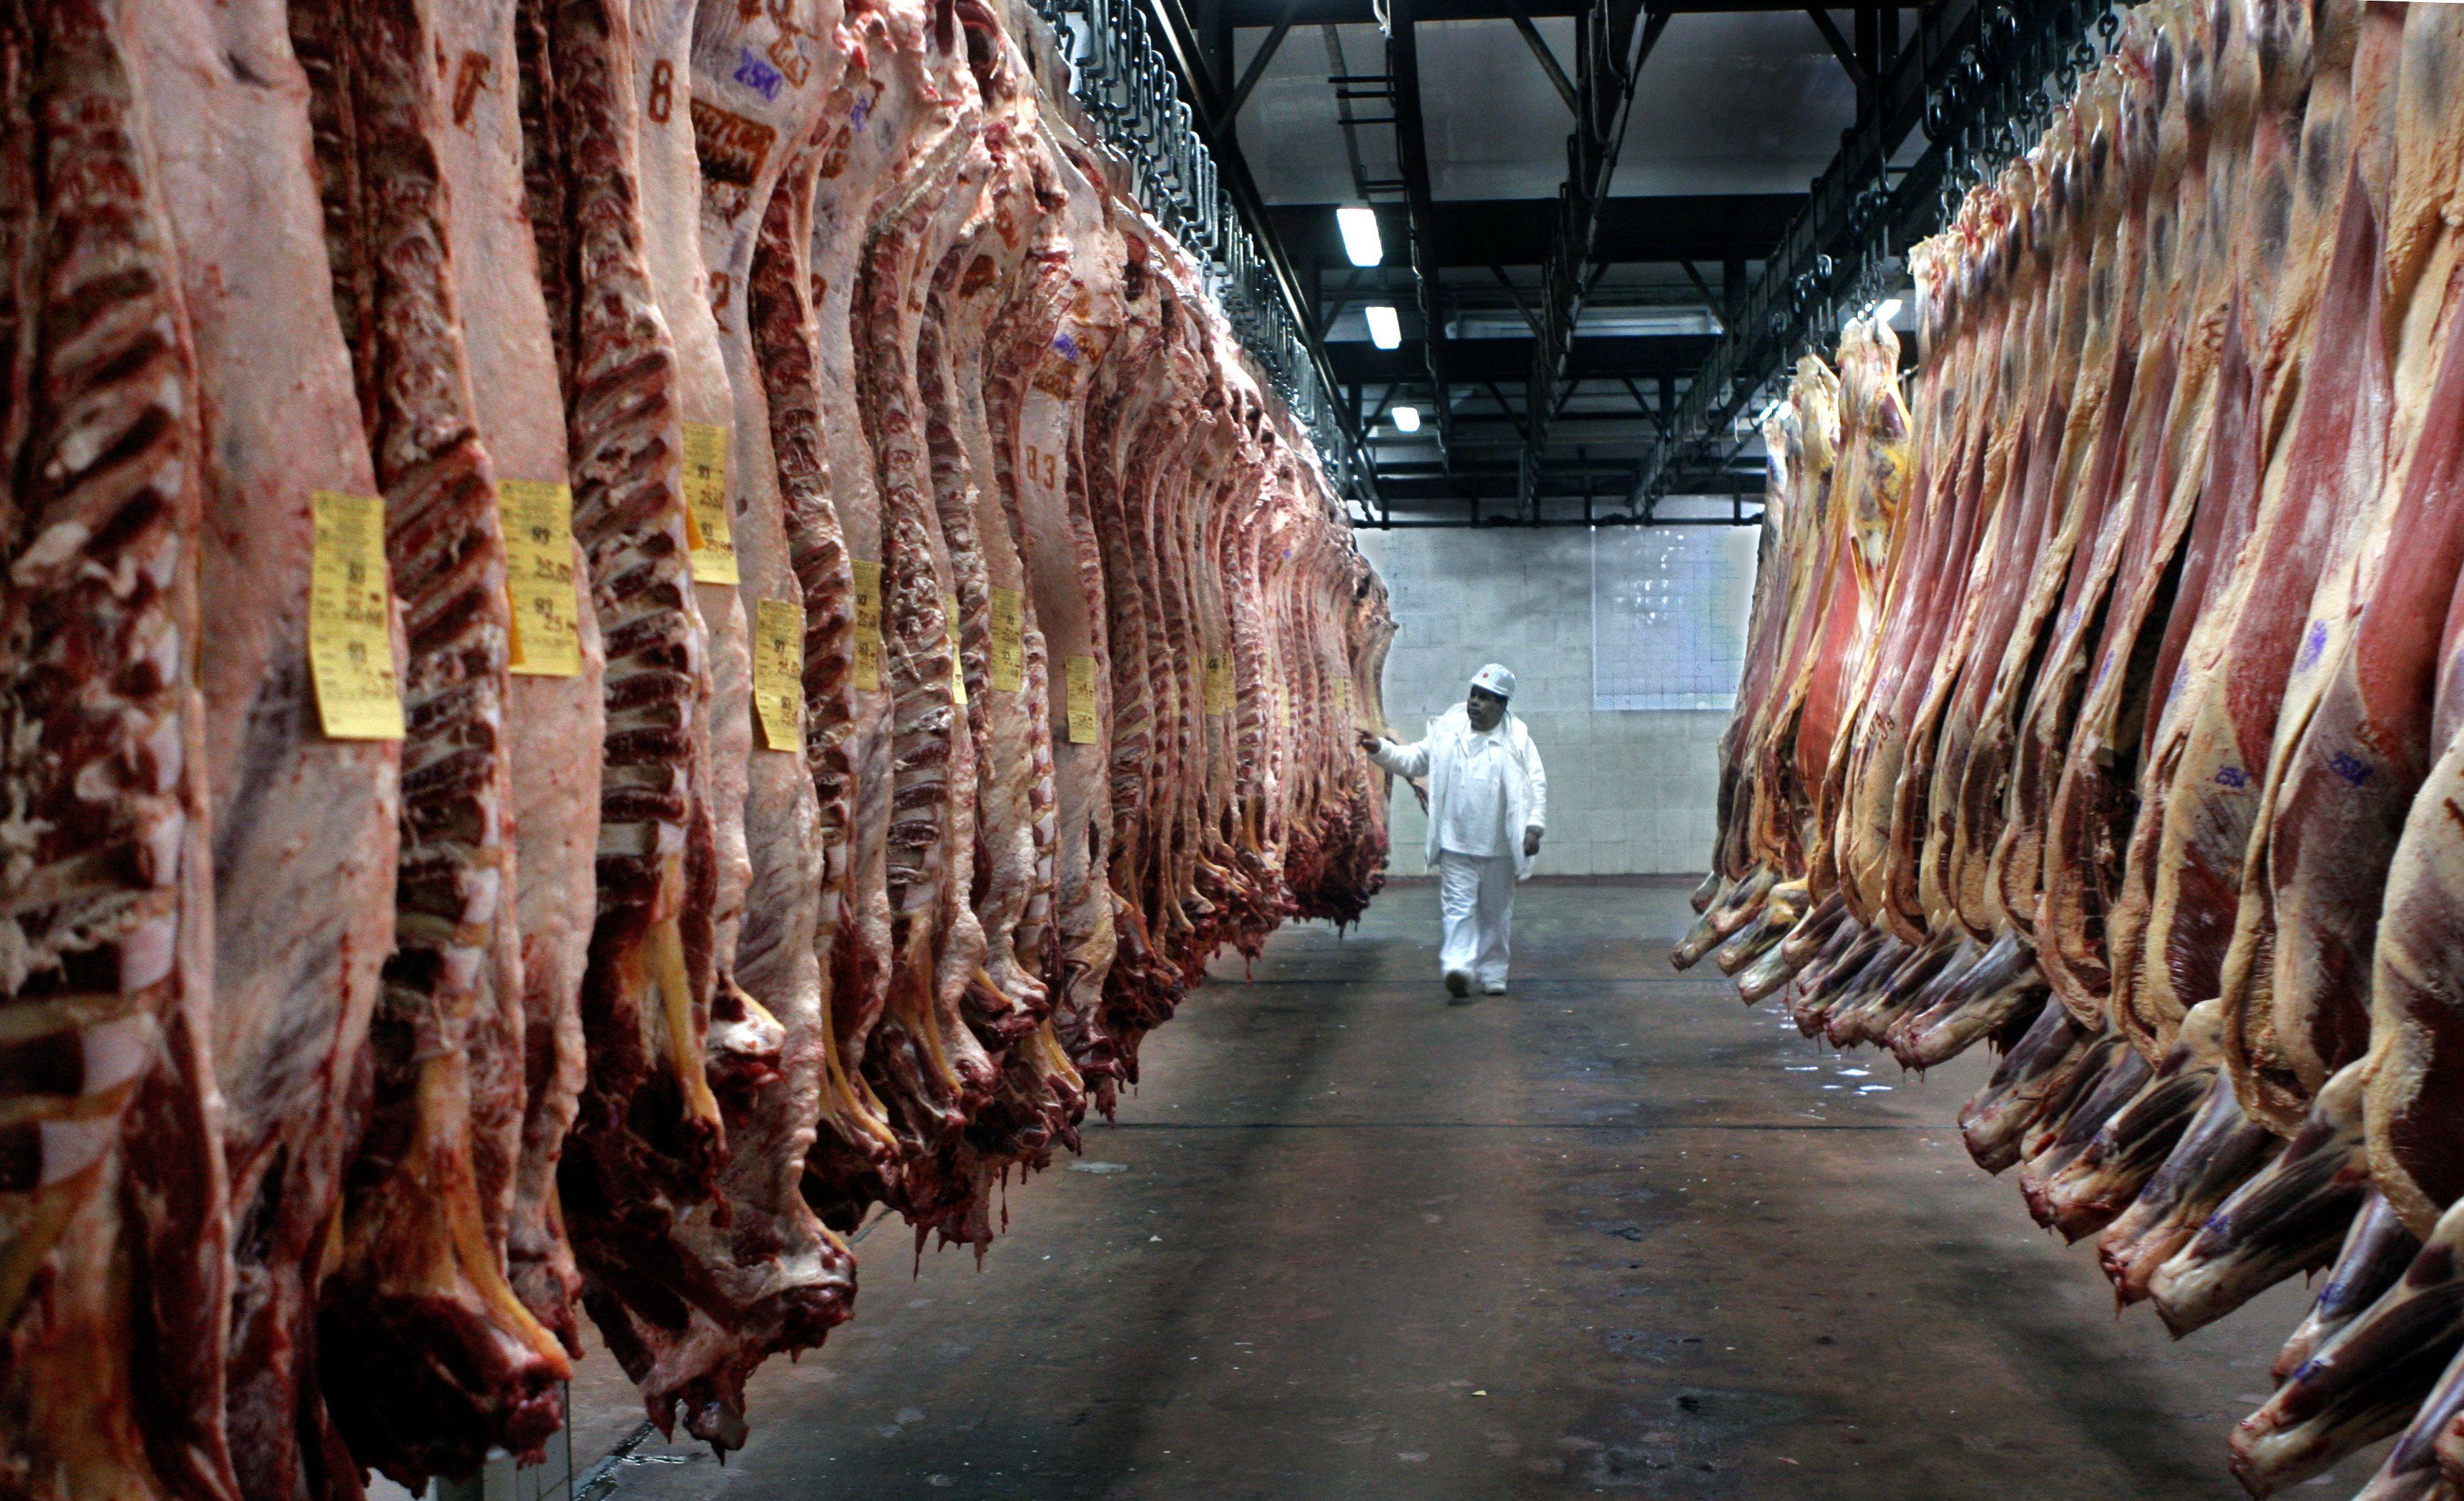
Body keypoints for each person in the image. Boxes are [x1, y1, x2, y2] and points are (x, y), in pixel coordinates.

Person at [1356, 663, 1547, 998]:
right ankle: (1458, 967)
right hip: (1457, 844)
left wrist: (1534, 826)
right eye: (1473, 694)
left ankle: (1493, 973)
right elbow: (1413, 760)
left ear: (1501, 705)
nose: (1475, 702)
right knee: (1457, 908)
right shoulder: (1449, 732)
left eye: (1485, 698)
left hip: (1500, 848)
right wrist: (1380, 750)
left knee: (1495, 914)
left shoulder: (1518, 741)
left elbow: (1536, 785)